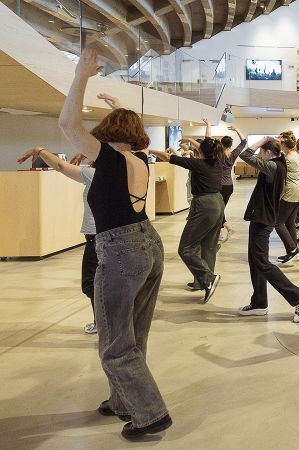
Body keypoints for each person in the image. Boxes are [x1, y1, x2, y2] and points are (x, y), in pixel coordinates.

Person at [58, 48, 171, 439]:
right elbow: (126, 133)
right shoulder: (138, 159)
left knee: (114, 342)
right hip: (148, 244)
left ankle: (149, 413)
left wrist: (81, 75)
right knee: (134, 334)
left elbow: (67, 124)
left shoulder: (108, 159)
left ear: (107, 134)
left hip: (121, 250)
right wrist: (120, 106)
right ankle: (124, 400)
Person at [17, 147, 99, 334]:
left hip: (97, 237)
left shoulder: (95, 174)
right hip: (108, 235)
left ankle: (102, 322)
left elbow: (61, 165)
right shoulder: (118, 172)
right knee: (101, 282)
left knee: (90, 283)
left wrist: (40, 150)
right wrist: (85, 153)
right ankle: (107, 322)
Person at [237, 137, 299, 320]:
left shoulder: (272, 166)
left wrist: (263, 140)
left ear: (269, 153)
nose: (259, 155)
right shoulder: (278, 164)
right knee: (255, 261)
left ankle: (298, 295)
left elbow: (245, 155)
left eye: (262, 152)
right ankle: (259, 303)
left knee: (262, 262)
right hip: (261, 217)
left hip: (263, 220)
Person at [149, 140, 224, 303]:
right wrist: (191, 143)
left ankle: (207, 278)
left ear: (201, 151)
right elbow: (204, 148)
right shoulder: (218, 162)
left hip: (204, 205)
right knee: (208, 246)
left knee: (186, 248)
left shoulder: (198, 164)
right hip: (218, 202)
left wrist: (149, 149)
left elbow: (167, 157)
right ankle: (202, 282)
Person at [273, 131, 299, 264]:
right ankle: (292, 250)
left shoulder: (287, 158)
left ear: (284, 143)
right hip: (298, 190)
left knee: (278, 223)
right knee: (289, 223)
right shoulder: (294, 154)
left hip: (291, 192)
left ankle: (292, 249)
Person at [219, 124, 247, 241]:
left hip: (219, 186)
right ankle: (226, 228)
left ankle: (222, 230)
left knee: (218, 210)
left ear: (221, 144)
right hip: (229, 186)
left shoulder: (218, 155)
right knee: (220, 209)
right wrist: (237, 129)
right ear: (230, 145)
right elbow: (244, 142)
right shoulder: (233, 154)